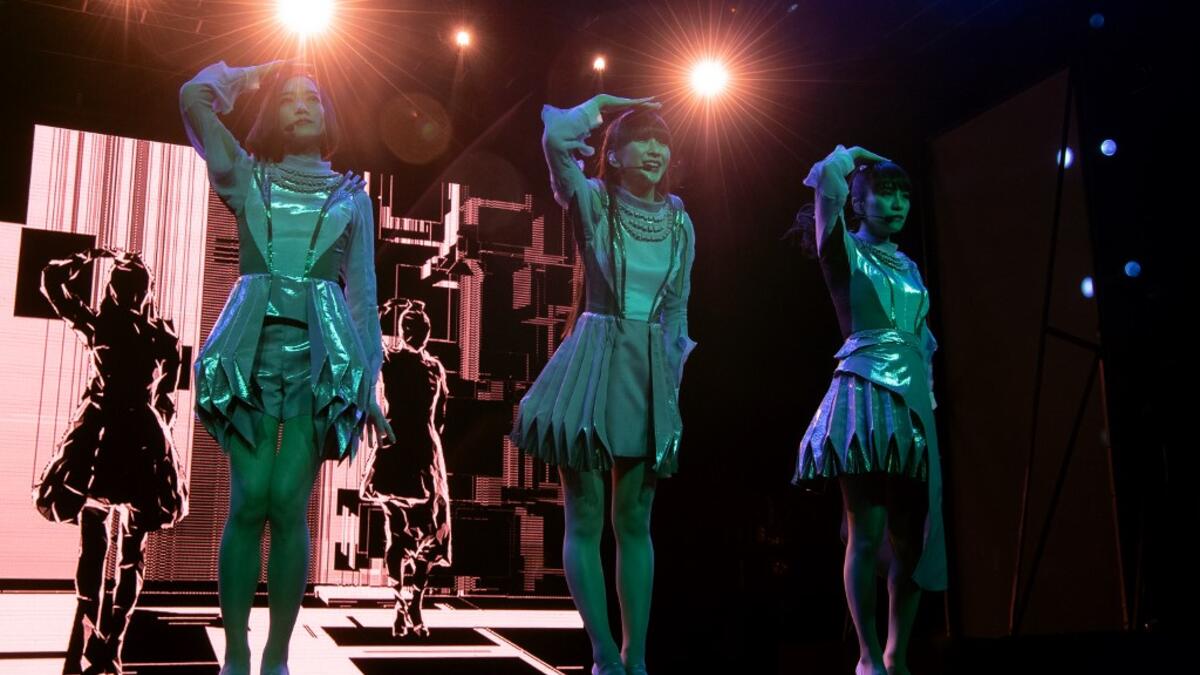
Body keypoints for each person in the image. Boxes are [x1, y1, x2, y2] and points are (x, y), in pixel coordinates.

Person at [180, 59, 393, 675]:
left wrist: (369, 383)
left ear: (328, 116)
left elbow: (362, 295)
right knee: (250, 499)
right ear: (272, 112)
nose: (301, 105)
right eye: (289, 98)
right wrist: (254, 74)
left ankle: (276, 655)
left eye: (313, 97)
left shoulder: (354, 197)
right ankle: (239, 653)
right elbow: (194, 99)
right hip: (249, 351)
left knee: (287, 502)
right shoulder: (247, 177)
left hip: (320, 361)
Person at [511, 94, 697, 675]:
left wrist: (669, 390)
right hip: (594, 359)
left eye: (661, 140)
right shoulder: (592, 201)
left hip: (648, 370)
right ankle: (601, 655)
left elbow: (678, 311)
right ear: (611, 155)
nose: (653, 150)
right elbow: (555, 140)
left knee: (635, 520)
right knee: (586, 516)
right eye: (639, 139)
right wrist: (603, 105)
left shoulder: (680, 220)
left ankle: (635, 657)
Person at [790, 145, 946, 675]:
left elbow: (922, 340)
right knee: (867, 531)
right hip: (863, 392)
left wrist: (927, 399)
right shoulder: (844, 251)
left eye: (903, 193)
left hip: (911, 406)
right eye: (884, 192)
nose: (897, 203)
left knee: (914, 538)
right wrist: (852, 155)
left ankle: (897, 653)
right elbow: (826, 185)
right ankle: (866, 657)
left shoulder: (909, 263)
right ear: (859, 200)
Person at [35, 248, 186, 674]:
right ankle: (111, 643)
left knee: (95, 542)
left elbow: (51, 279)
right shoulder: (163, 336)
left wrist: (86, 256)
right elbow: (166, 398)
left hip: (101, 439)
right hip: (140, 438)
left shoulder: (103, 323)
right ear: (145, 290)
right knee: (130, 551)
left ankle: (93, 637)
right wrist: (161, 433)